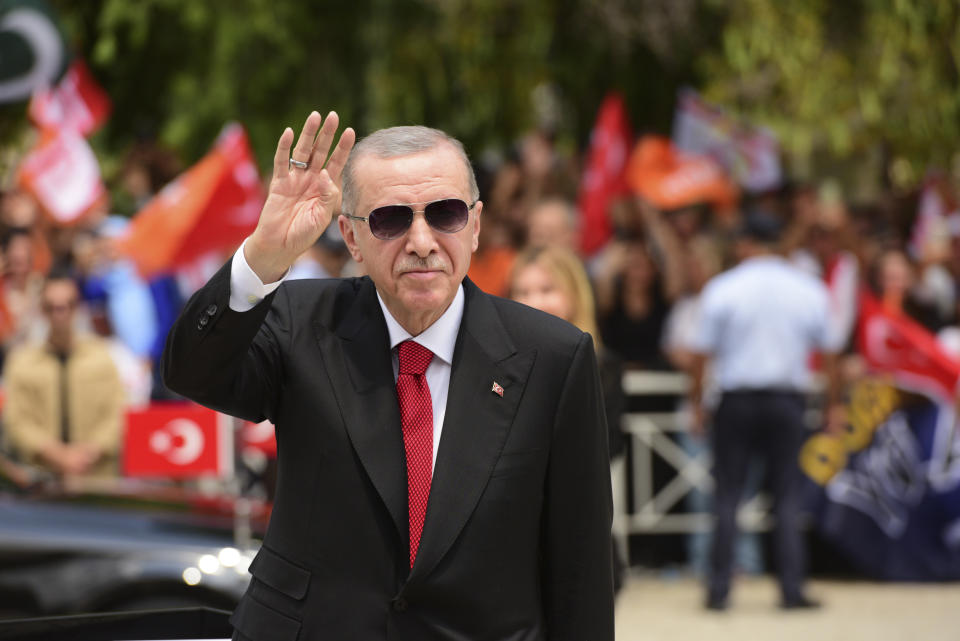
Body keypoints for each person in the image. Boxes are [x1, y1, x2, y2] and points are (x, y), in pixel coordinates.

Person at [163, 111, 614, 640]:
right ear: (352, 238)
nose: (421, 241)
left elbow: (580, 567)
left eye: (444, 214)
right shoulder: (299, 320)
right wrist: (263, 255)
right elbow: (192, 372)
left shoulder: (553, 356)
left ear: (474, 226)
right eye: (391, 220)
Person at [688, 211, 843, 611]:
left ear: (745, 243)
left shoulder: (724, 287)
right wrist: (833, 405)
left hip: (736, 400)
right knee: (788, 496)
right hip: (786, 401)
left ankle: (718, 589)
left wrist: (695, 404)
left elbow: (700, 354)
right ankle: (791, 589)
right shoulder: (808, 288)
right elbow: (830, 355)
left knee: (727, 495)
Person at [2, 270, 125, 477]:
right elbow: (16, 420)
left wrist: (89, 452)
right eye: (52, 308)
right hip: (41, 476)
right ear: (43, 310)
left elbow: (118, 414)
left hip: (94, 476)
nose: (61, 314)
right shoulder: (22, 362)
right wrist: (56, 454)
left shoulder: (101, 358)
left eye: (67, 306)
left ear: (77, 308)